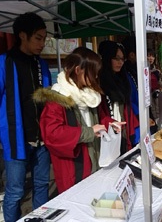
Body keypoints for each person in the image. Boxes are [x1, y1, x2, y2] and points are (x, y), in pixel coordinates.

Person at [0, 12, 51, 222]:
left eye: (44, 38)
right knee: (15, 191)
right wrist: (5, 133)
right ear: (22, 35)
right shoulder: (0, 65)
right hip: (16, 139)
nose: (42, 43)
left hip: (42, 139)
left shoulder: (41, 65)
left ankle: (38, 220)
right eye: (38, 38)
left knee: (41, 185)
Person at [34, 47, 125, 194]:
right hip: (74, 167)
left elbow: (101, 117)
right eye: (93, 72)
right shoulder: (57, 98)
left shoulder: (91, 94)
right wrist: (88, 132)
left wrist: (110, 123)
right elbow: (52, 134)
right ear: (78, 70)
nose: (96, 77)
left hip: (95, 159)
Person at [98, 40, 139, 154]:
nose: (120, 62)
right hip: (106, 135)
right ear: (107, 58)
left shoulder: (123, 80)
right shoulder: (99, 82)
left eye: (122, 59)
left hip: (123, 131)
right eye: (116, 58)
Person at [121, 36, 140, 145]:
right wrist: (139, 116)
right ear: (132, 54)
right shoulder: (126, 74)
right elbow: (131, 99)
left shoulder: (134, 70)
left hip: (138, 117)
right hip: (134, 119)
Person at [147, 48, 162, 133]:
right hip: (148, 98)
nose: (151, 58)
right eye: (149, 56)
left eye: (152, 56)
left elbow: (160, 84)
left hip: (155, 97)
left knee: (157, 114)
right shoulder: (143, 70)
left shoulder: (156, 70)